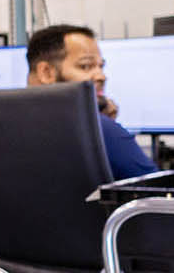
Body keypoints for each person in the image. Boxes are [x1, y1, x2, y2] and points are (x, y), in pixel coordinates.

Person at [24, 25, 158, 180]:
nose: (101, 76)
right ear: (46, 73)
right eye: (86, 66)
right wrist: (106, 129)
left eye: (101, 66)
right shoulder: (100, 129)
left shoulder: (2, 126)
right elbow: (162, 195)